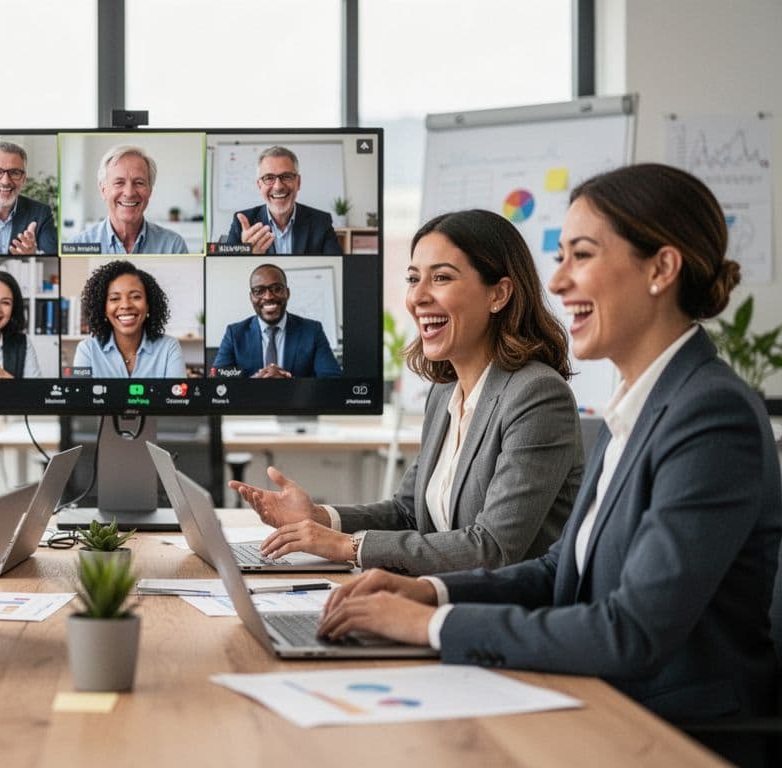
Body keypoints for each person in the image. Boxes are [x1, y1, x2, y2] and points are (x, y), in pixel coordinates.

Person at [316, 164, 781, 739]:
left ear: (661, 268)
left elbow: (629, 633)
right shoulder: (638, 404)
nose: (557, 283)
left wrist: (433, 626)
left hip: (668, 729)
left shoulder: (711, 415)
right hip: (591, 695)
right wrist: (427, 591)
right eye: (559, 258)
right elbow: (561, 570)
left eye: (580, 256)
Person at [233, 210, 582, 576]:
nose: (418, 297)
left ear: (499, 294)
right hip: (437, 598)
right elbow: (408, 512)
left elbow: (492, 548)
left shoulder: (538, 396)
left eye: (441, 277)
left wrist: (345, 547)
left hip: (507, 616)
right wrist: (319, 518)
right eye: (413, 279)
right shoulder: (445, 391)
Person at [210, 263, 340, 378]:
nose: (268, 296)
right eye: (259, 291)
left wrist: (289, 382)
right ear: (251, 297)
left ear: (287, 293)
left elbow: (332, 378)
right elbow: (216, 377)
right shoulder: (234, 333)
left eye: (277, 289)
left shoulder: (312, 330)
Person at [71, 259, 186, 377]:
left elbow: (176, 394)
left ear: (148, 305)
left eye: (136, 297)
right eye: (114, 298)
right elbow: (81, 394)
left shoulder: (169, 347)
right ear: (103, 308)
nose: (126, 305)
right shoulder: (87, 350)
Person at [67, 144, 189, 254]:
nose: (129, 193)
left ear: (150, 190)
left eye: (139, 182)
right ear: (103, 190)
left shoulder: (173, 247)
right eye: (119, 182)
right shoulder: (77, 246)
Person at [224, 146, 343, 255]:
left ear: (298, 182)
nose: (278, 186)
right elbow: (227, 270)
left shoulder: (321, 222)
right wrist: (247, 254)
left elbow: (339, 266)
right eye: (269, 178)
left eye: (286, 176)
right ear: (259, 185)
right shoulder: (243, 223)